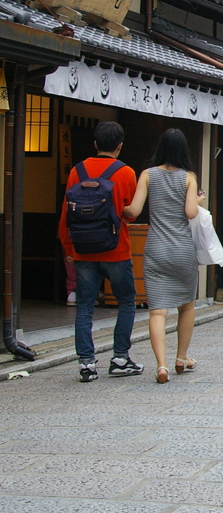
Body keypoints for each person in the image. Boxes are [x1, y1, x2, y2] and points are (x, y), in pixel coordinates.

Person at [59, 121, 142, 383]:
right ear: (120, 145)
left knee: (84, 307)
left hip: (84, 249)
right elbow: (128, 211)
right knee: (126, 302)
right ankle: (120, 358)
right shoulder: (126, 172)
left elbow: (66, 213)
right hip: (116, 249)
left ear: (95, 144)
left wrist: (69, 246)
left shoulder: (77, 171)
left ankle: (86, 363)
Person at [123, 129, 201, 384]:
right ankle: (181, 358)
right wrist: (200, 201)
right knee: (186, 306)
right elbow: (190, 213)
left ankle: (161, 366)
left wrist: (116, 206)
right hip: (182, 249)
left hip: (156, 248)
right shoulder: (189, 178)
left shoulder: (147, 175)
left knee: (158, 312)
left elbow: (134, 210)